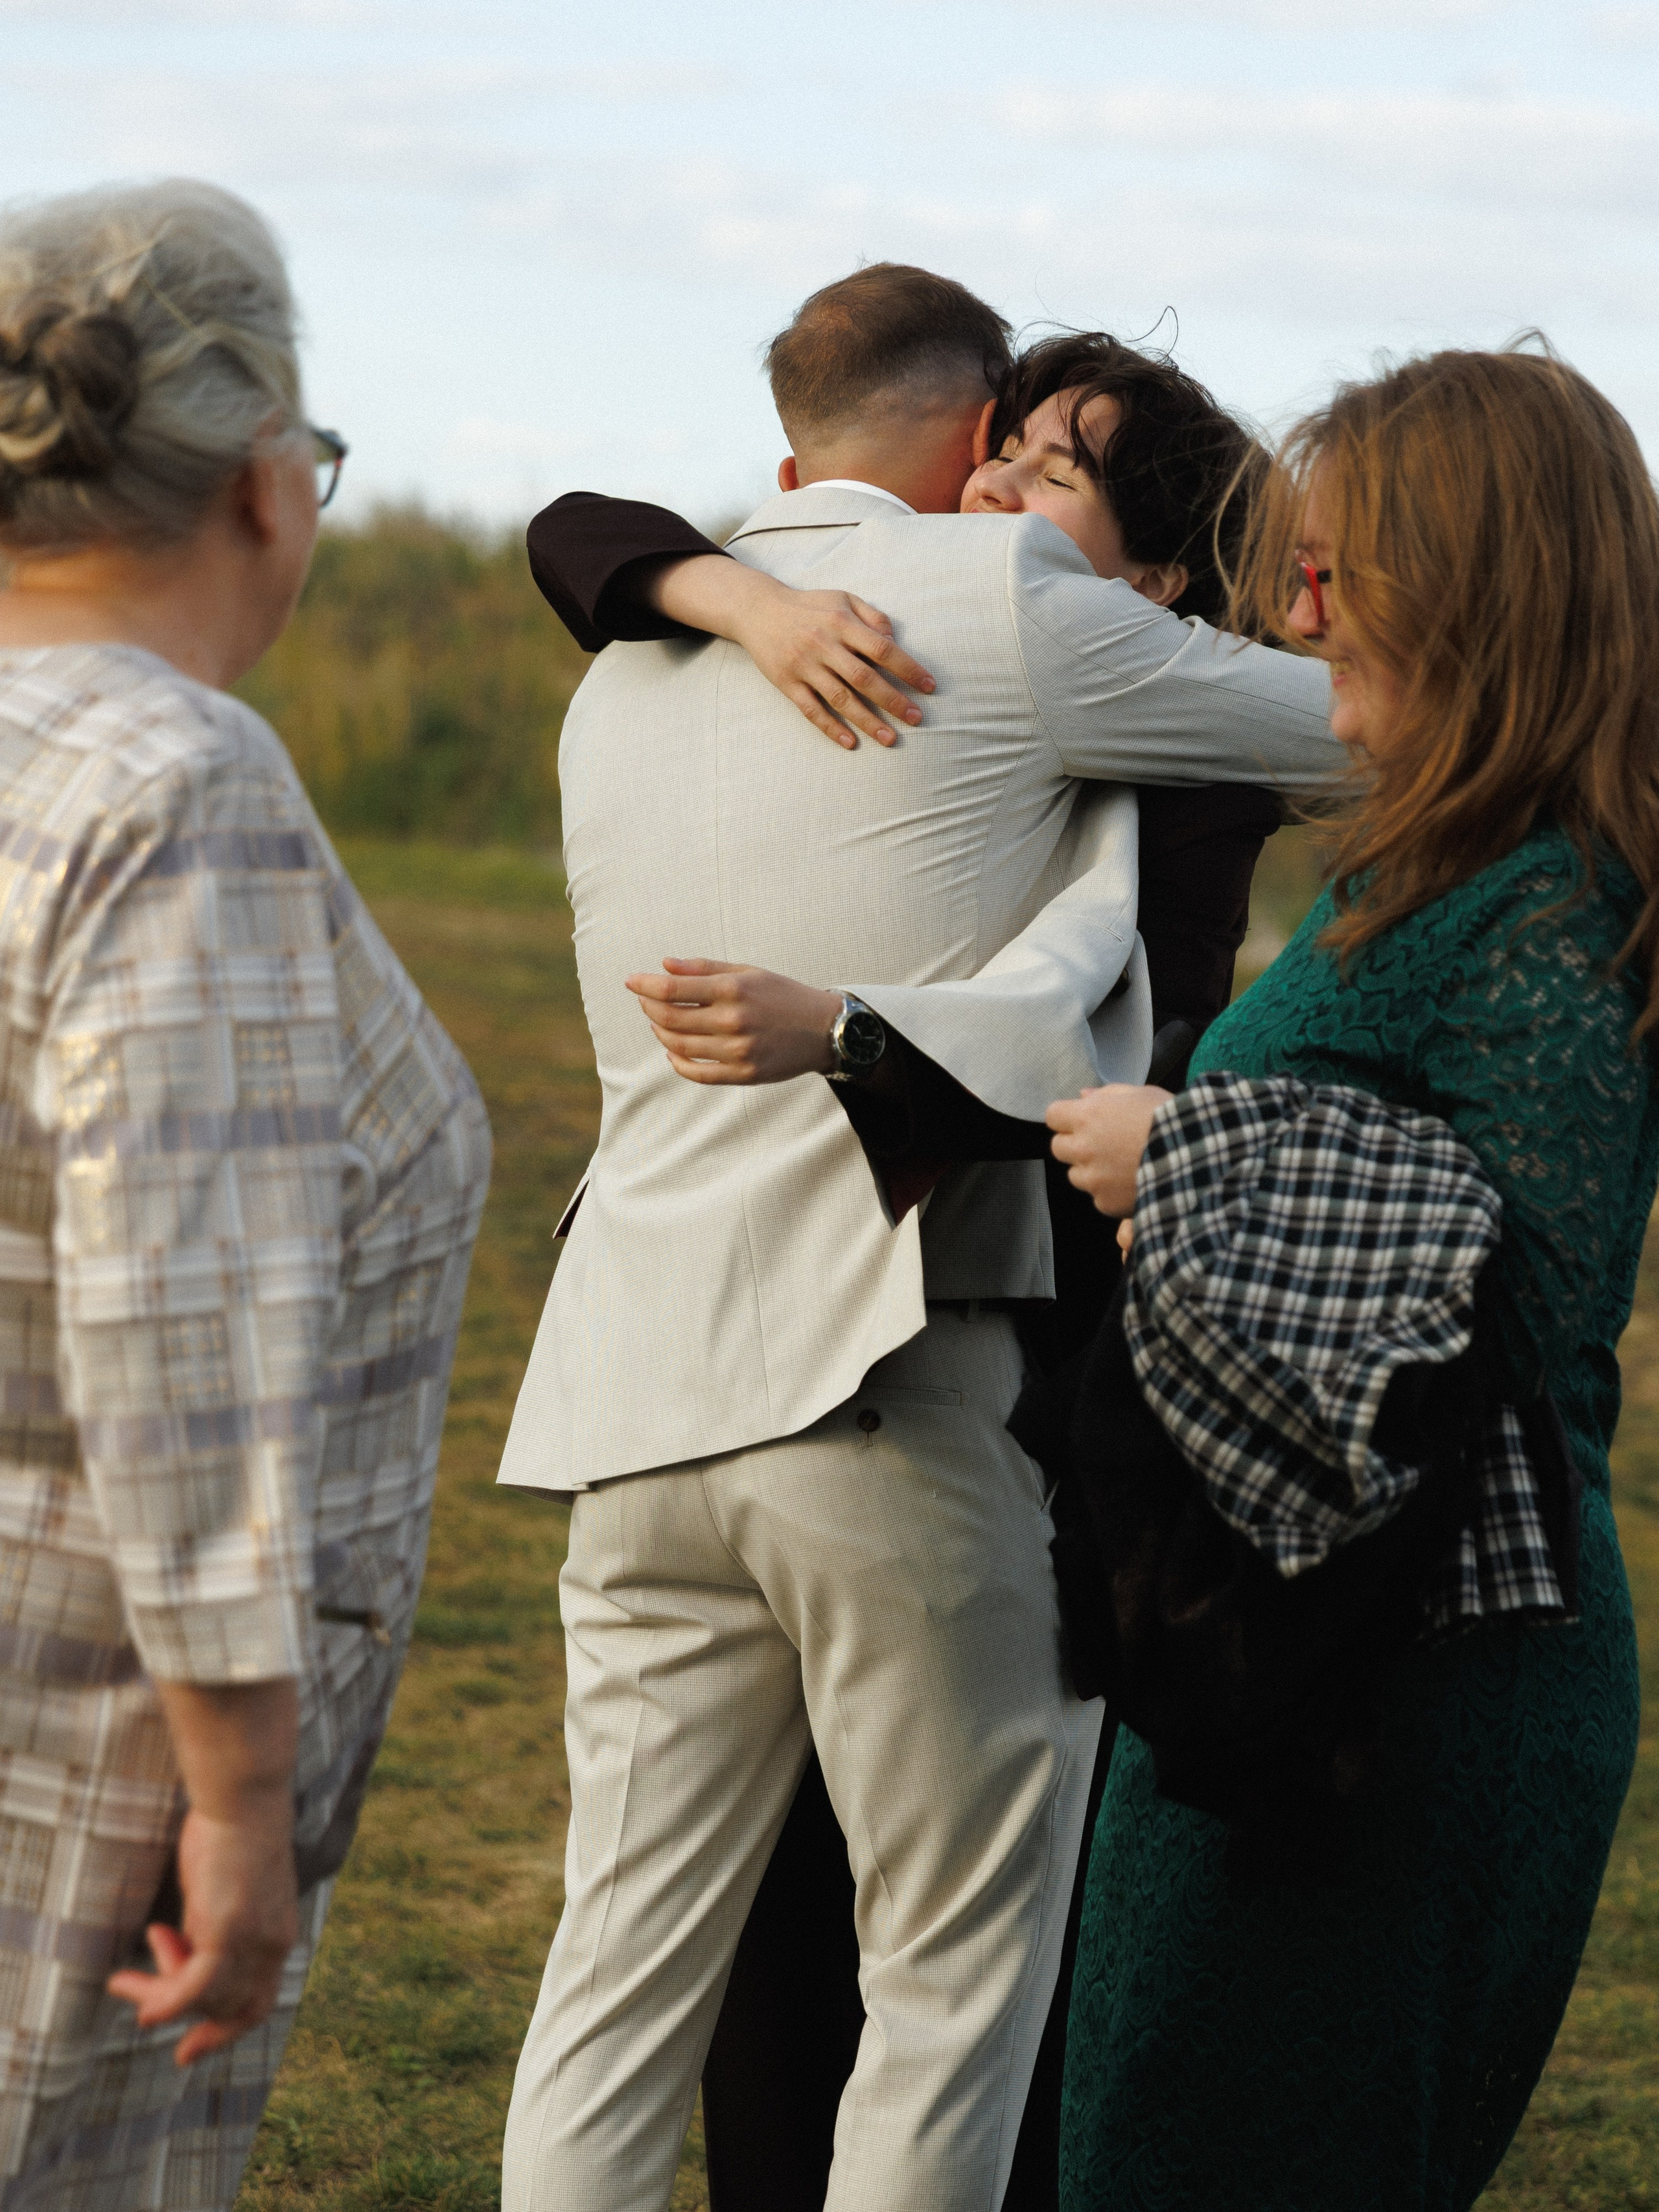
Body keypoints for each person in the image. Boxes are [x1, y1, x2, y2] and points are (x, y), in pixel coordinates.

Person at [498, 262, 1336, 2212]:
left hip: (632, 1399)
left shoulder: (631, 666)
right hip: (892, 1372)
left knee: (612, 1995)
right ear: (969, 440)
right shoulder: (1013, 613)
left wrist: (733, 588)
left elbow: (587, 537)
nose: (1019, 489)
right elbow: (1378, 734)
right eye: (1022, 449)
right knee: (951, 2001)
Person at [1041, 343, 1657, 2210]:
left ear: (1481, 589)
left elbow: (1525, 1292)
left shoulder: (1560, 898)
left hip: (1421, 1675)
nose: (1290, 603)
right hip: (1293, 1623)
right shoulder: (1421, 868)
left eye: (1340, 565)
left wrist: (1198, 1155)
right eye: (1294, 561)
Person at [0, 178, 490, 2209]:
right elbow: (175, 1347)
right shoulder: (178, 789)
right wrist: (238, 1802)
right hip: (78, 1766)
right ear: (271, 486)